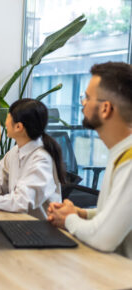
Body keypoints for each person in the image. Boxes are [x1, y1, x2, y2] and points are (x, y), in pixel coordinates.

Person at [47, 62, 132, 257]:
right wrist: (81, 214)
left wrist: (68, 219)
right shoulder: (120, 152)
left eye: (87, 97)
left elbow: (103, 238)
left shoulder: (129, 160)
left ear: (105, 108)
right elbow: (117, 216)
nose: (83, 103)